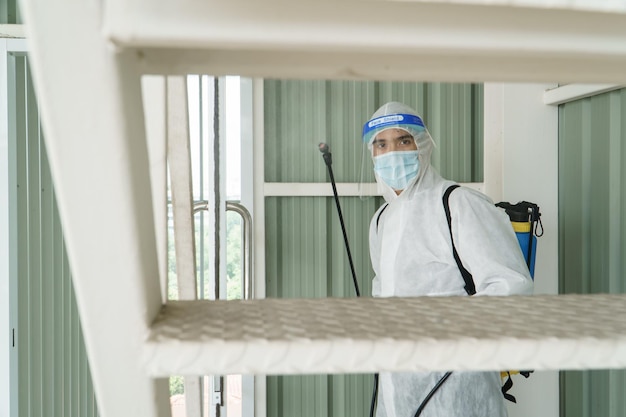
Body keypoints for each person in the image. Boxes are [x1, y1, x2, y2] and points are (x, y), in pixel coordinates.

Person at [363, 102, 534, 417]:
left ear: (422, 146)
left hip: (457, 386)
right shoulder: (381, 220)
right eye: (381, 144)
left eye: (403, 141)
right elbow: (382, 291)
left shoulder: (458, 204)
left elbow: (510, 287)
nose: (392, 153)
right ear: (372, 154)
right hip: (397, 386)